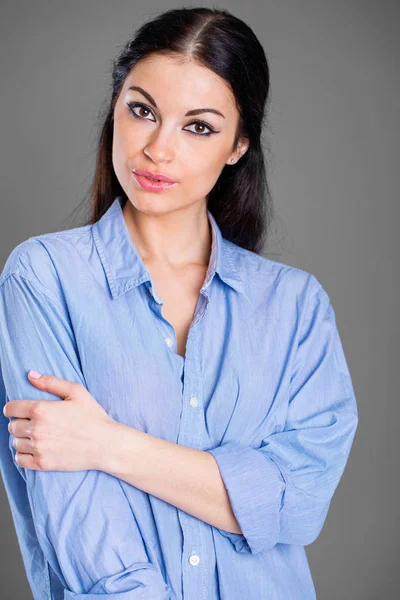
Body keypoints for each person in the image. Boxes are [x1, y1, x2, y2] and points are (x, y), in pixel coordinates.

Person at [0, 6, 358, 600]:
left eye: (199, 126)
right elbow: (76, 518)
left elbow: (296, 507)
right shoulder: (45, 277)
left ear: (239, 144)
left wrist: (107, 444)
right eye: (142, 111)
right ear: (114, 110)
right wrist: (237, 488)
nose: (158, 150)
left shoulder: (295, 306)